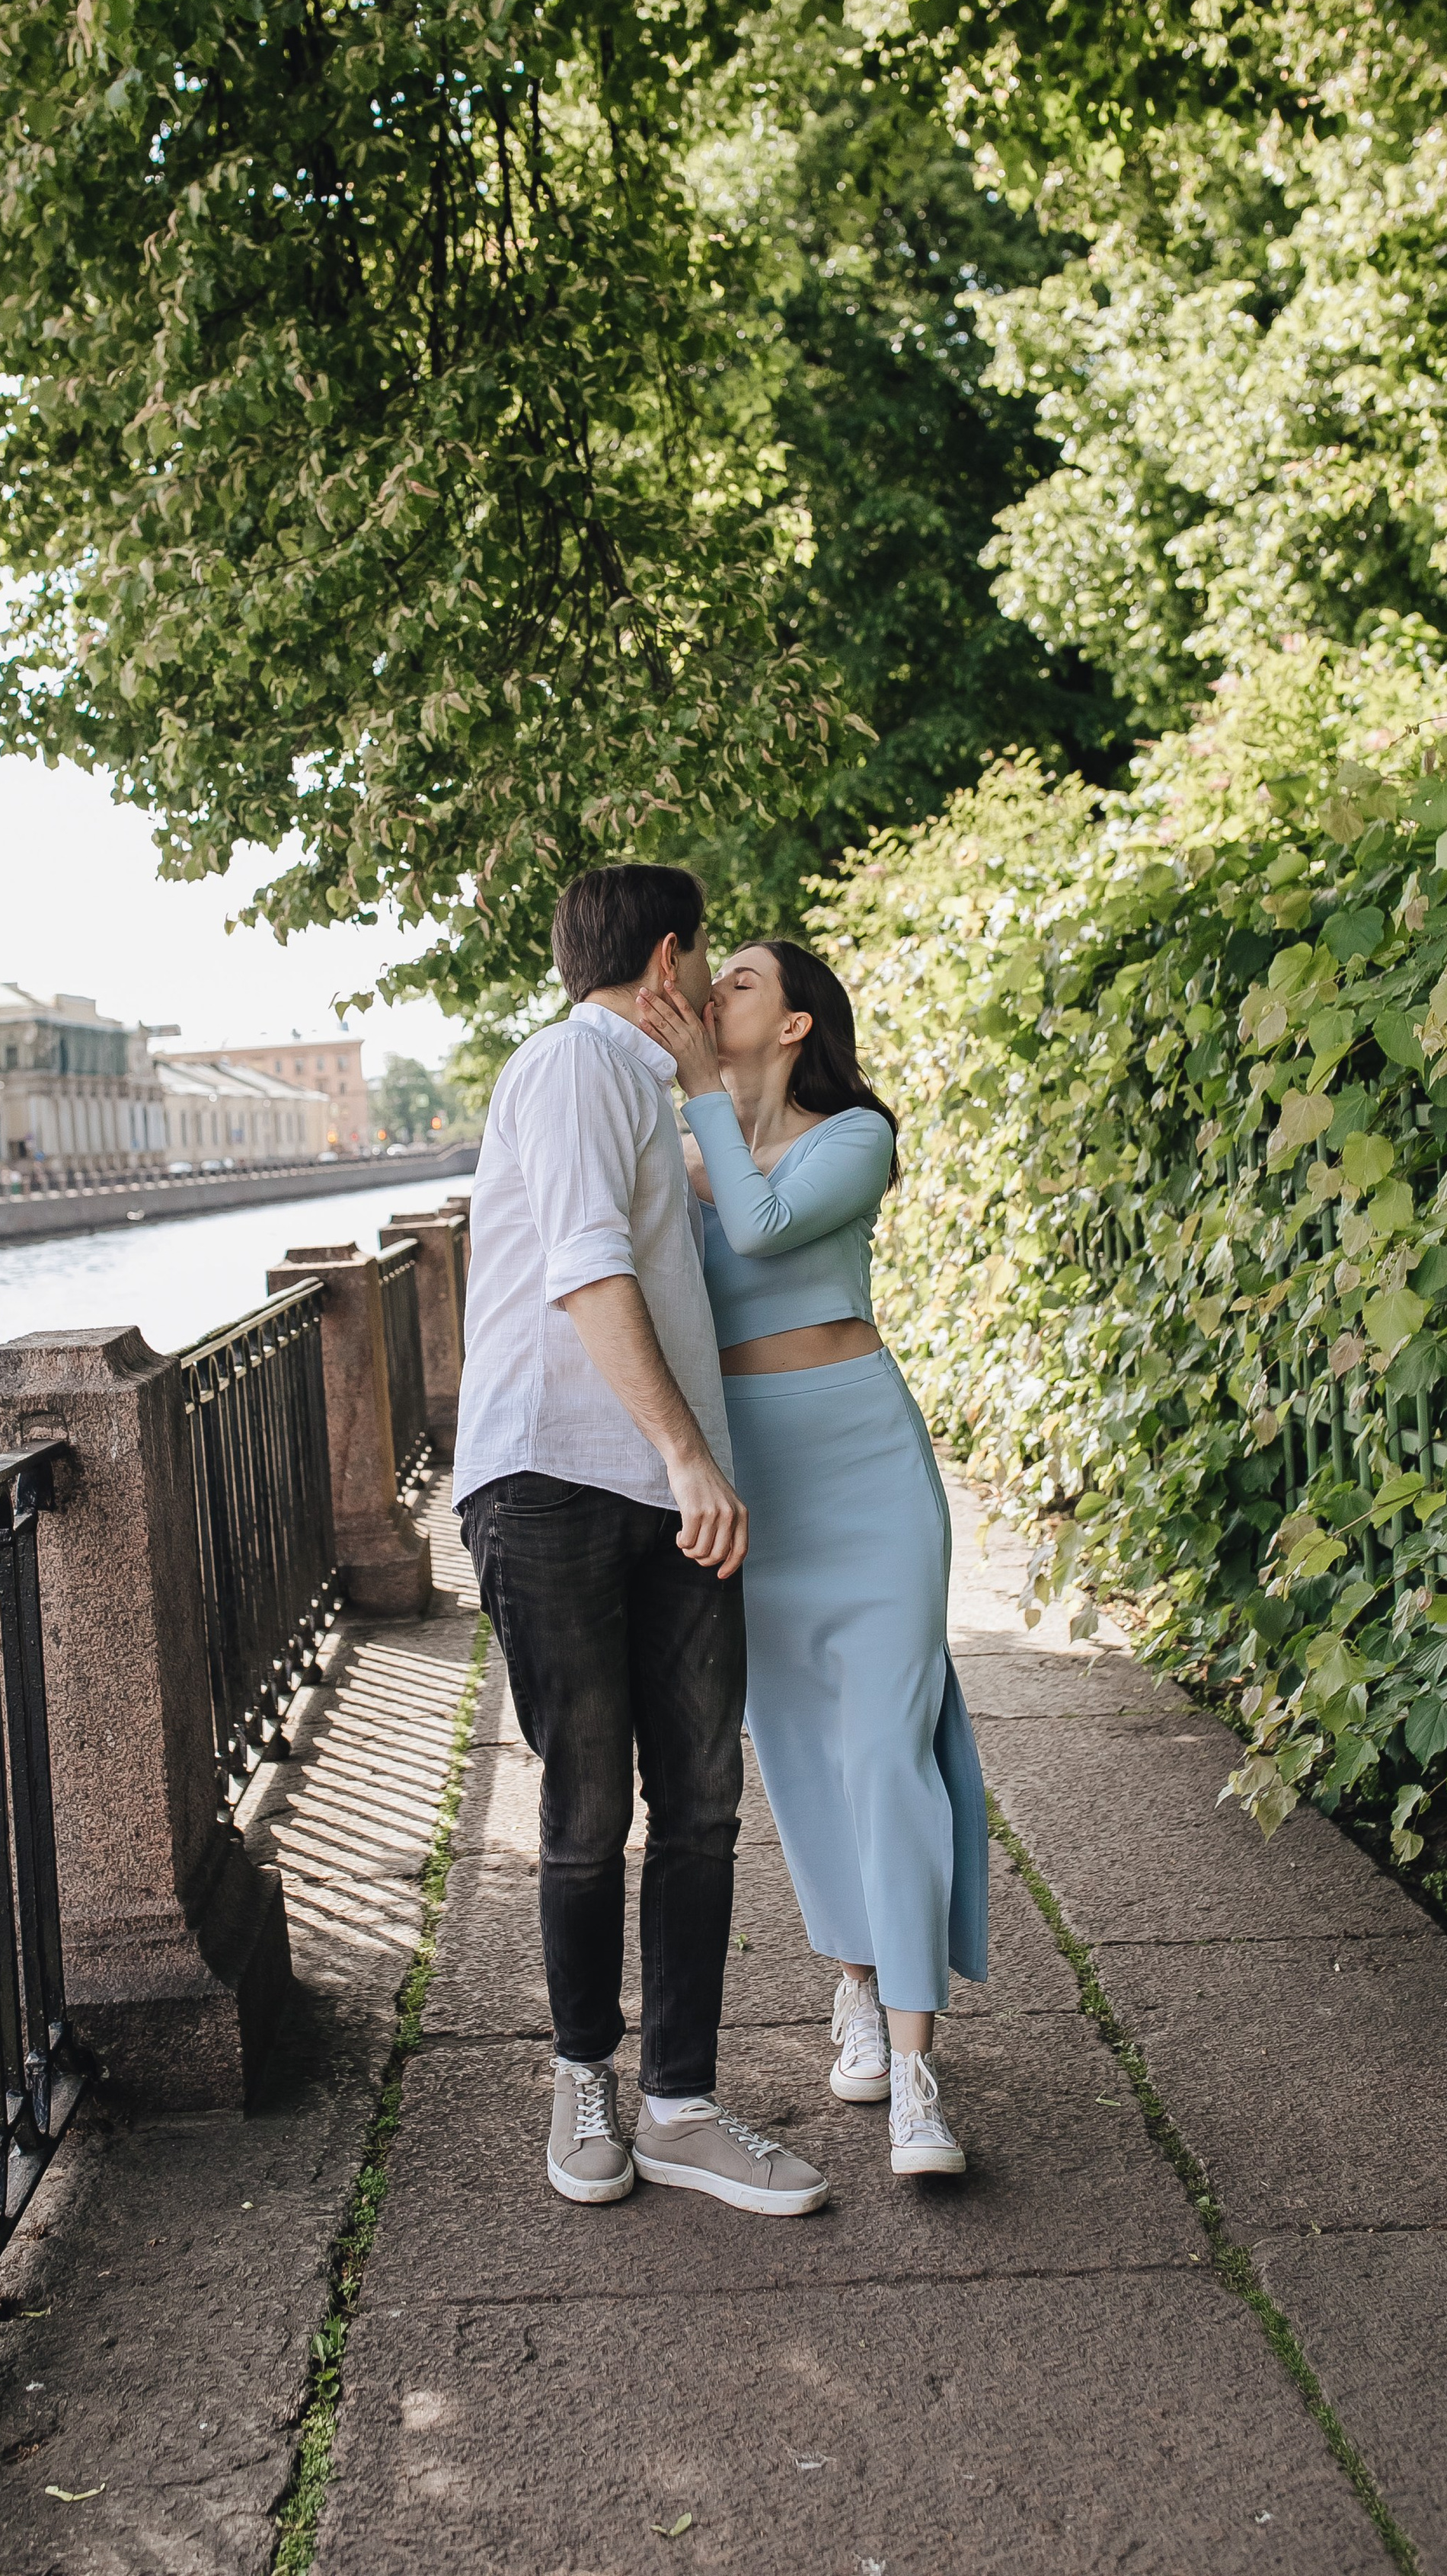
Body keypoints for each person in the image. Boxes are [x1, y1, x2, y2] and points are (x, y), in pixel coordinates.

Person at [453, 865, 829, 2216]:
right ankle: (583, 2080)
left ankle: (678, 2102)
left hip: (663, 1490)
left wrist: (687, 1469)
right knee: (588, 1802)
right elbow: (583, 1267)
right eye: (708, 951)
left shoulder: (635, 1085)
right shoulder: (566, 1065)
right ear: (669, 958)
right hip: (556, 1475)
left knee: (704, 1799)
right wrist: (688, 1456)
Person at [637, 939, 988, 2175]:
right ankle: (854, 1982)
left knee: (890, 1751)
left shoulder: (855, 1137)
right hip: (755, 1482)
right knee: (796, 1753)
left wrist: (692, 1095)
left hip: (866, 1465)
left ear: (793, 1026)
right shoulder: (684, 1163)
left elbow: (773, 1223)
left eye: (739, 981)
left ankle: (918, 2073)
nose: (714, 995)